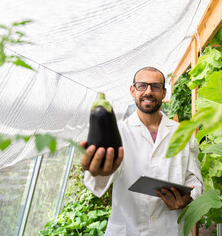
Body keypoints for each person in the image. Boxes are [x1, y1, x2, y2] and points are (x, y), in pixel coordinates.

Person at [80, 66, 203, 236]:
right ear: (133, 90)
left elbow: (195, 178)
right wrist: (99, 172)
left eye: (156, 86)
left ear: (164, 92)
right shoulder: (118, 132)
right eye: (142, 86)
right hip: (128, 229)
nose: (149, 91)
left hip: (170, 229)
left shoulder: (183, 133)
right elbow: (99, 181)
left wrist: (188, 198)